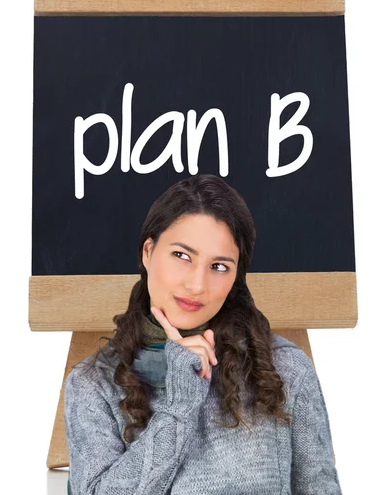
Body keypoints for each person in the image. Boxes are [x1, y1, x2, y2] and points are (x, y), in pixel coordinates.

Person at [64, 173, 343, 494]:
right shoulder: (92, 383)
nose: (197, 284)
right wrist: (180, 404)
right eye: (182, 255)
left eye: (219, 266)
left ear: (236, 276)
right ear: (148, 252)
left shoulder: (285, 368)